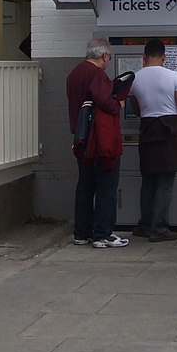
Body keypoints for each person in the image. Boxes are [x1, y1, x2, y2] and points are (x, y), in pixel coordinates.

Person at [65, 38, 129, 248]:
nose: (108, 61)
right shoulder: (96, 74)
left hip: (81, 138)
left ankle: (81, 233)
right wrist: (119, 103)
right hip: (99, 140)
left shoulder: (74, 73)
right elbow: (105, 102)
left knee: (85, 186)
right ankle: (103, 234)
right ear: (103, 55)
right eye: (108, 57)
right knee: (106, 186)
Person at [129, 39, 177, 242]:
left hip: (147, 130)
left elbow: (136, 109)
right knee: (165, 182)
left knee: (148, 180)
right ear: (164, 57)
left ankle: (145, 225)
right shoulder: (174, 76)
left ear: (143, 57)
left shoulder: (135, 78)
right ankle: (160, 229)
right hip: (169, 130)